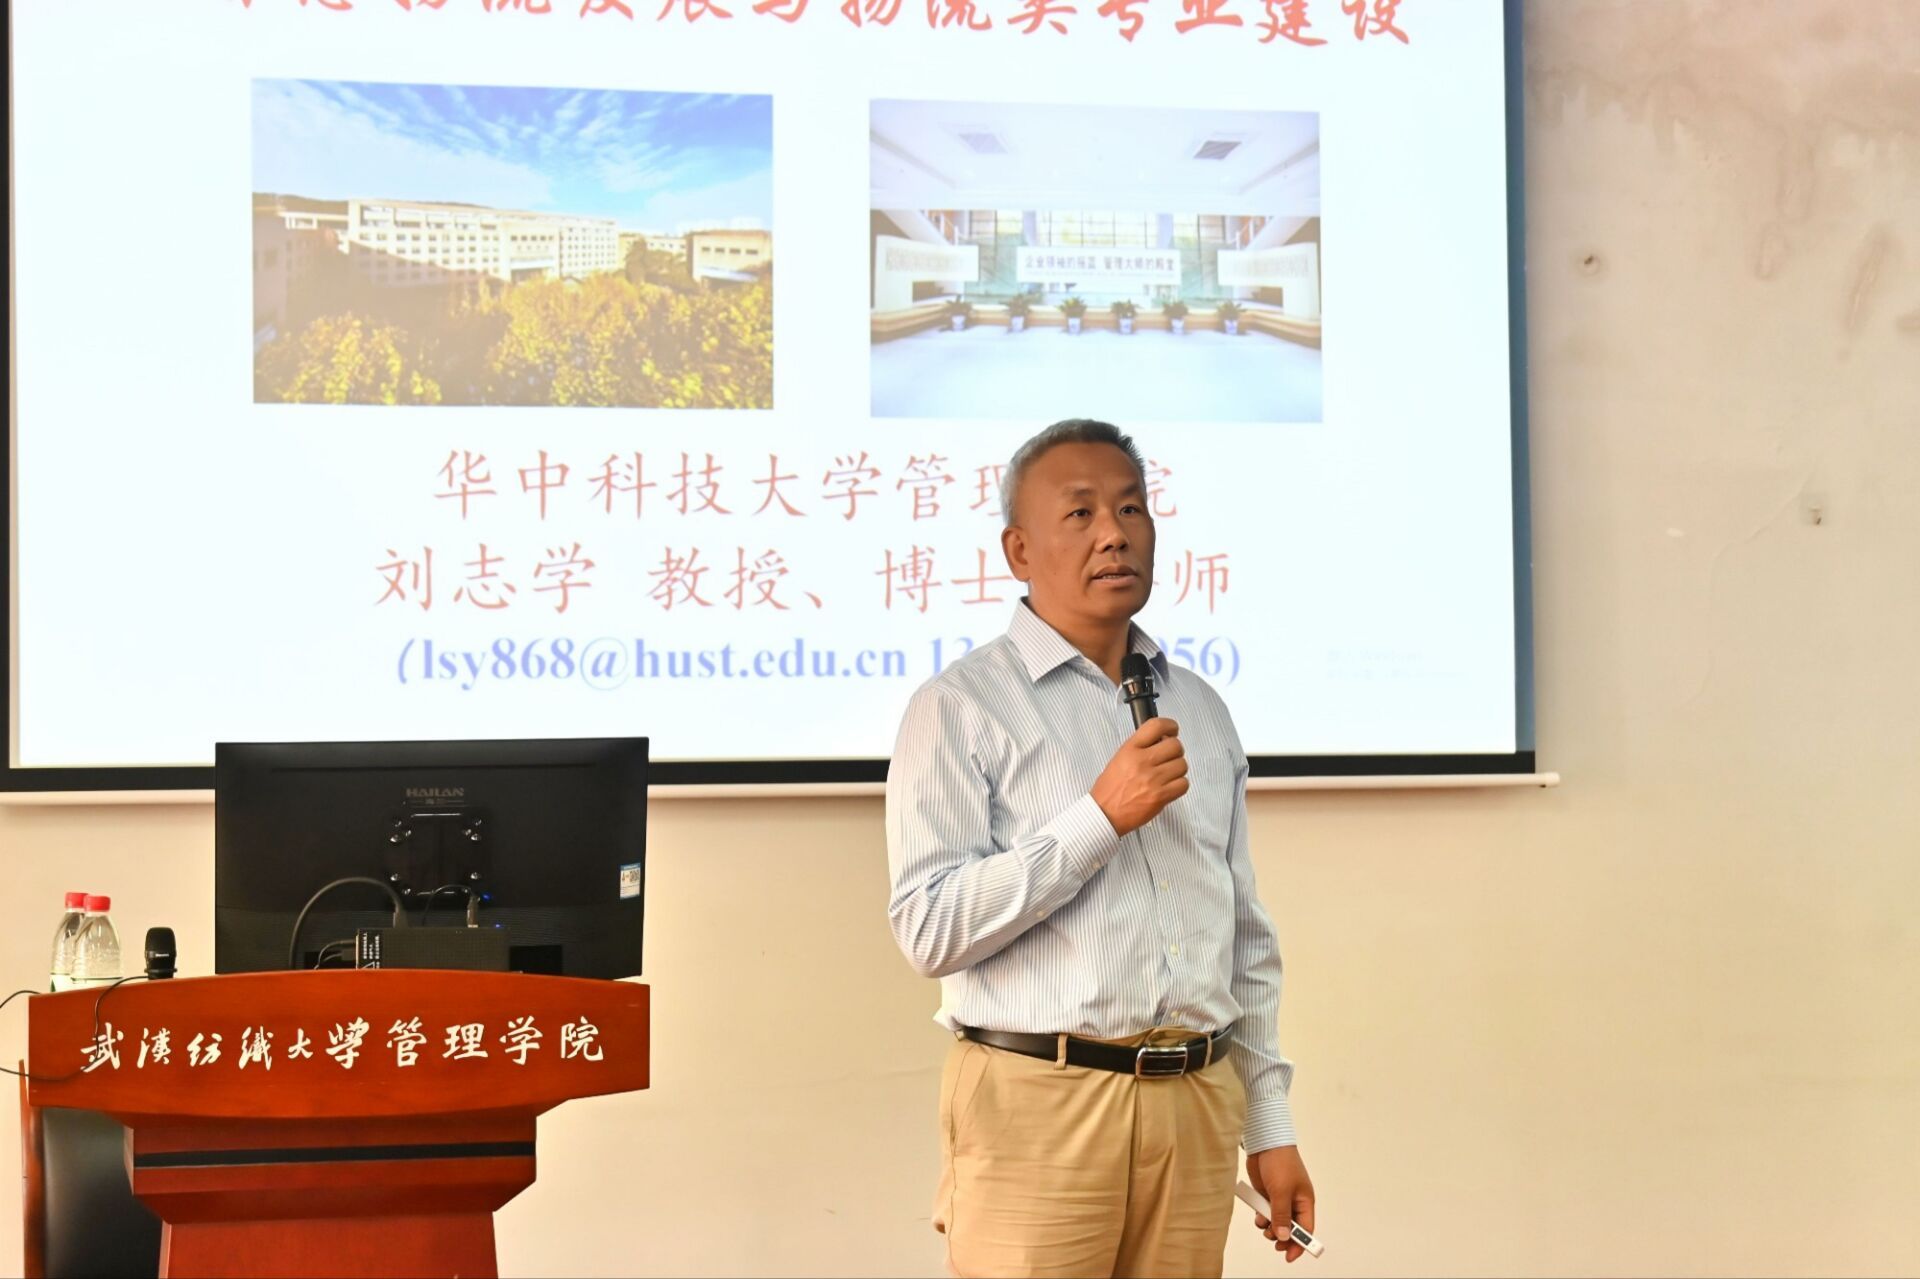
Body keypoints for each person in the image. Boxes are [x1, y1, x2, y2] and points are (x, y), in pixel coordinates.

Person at [885, 419, 1315, 1278]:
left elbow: (1241, 933)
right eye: (1079, 513)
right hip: (1040, 1103)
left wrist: (1269, 1125)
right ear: (1018, 549)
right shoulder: (961, 705)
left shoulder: (1200, 706)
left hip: (1197, 1103)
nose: (1114, 533)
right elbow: (929, 928)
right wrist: (1098, 818)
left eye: (1130, 508)